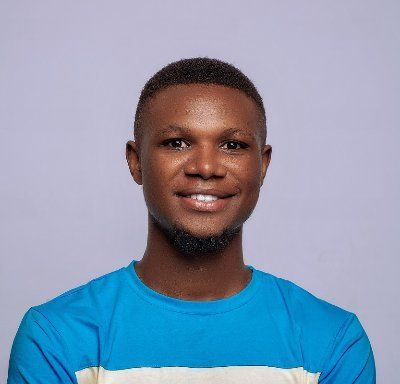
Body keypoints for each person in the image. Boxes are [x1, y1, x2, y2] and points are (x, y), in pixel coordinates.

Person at [7, 57, 376, 383]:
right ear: (136, 162)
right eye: (176, 143)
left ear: (262, 165)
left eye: (233, 145)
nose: (206, 167)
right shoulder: (57, 337)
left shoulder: (331, 340)